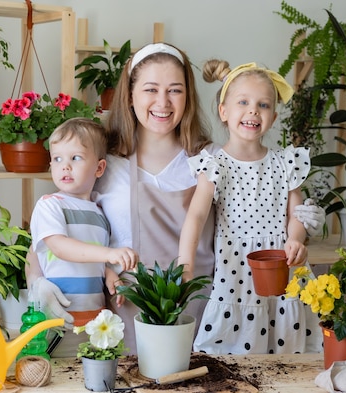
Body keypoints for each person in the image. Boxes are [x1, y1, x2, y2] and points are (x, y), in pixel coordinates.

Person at [31, 43, 326, 353]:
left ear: (188, 97)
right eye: (150, 89)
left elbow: (262, 218)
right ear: (130, 96)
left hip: (207, 315)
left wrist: (304, 221)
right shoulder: (101, 164)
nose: (163, 102)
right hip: (126, 319)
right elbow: (50, 232)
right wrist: (39, 282)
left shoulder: (212, 159)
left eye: (175, 90)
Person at [178, 60, 322, 355]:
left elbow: (296, 213)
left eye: (263, 105)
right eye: (243, 102)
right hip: (236, 269)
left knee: (287, 348)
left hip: (282, 265)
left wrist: (295, 239)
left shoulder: (285, 162)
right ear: (224, 111)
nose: (253, 111)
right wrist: (186, 263)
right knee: (235, 354)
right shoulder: (215, 164)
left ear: (273, 116)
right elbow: (196, 215)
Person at [27, 117, 138, 357]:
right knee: (57, 374)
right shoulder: (50, 205)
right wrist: (110, 254)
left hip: (93, 318)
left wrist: (109, 274)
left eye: (75, 158)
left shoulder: (99, 213)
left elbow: (90, 257)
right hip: (57, 319)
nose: (64, 166)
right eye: (57, 159)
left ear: (99, 168)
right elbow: (60, 247)